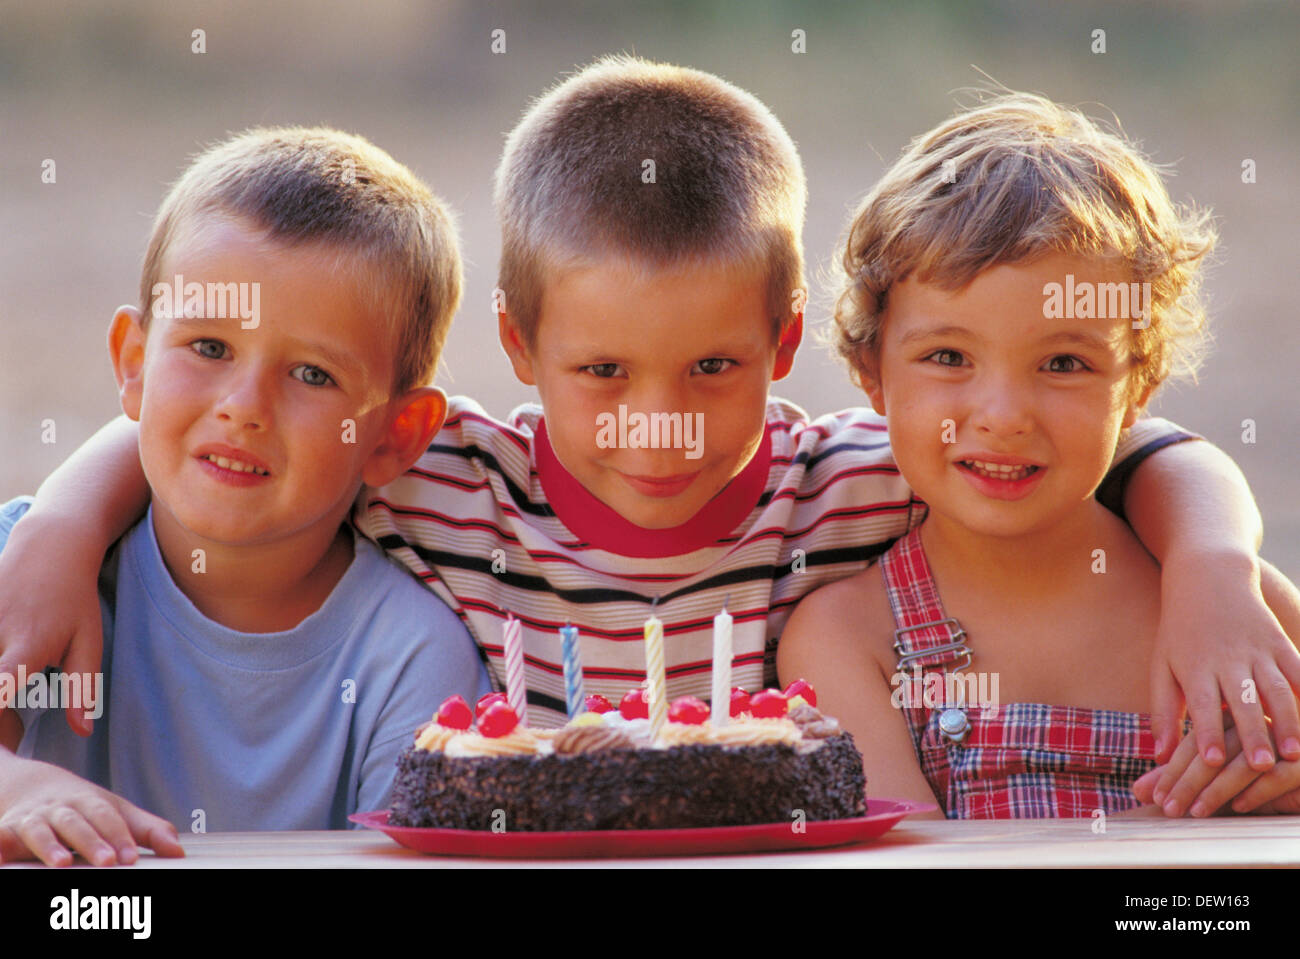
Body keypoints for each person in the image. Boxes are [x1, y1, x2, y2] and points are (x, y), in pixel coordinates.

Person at [2, 59, 1296, 773]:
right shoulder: (444, 478)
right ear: (520, 344)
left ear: (789, 345)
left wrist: (1218, 566)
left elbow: (1105, 440)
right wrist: (61, 525)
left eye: (714, 372)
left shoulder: (855, 477)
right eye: (604, 374)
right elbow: (232, 439)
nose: (659, 429)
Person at [777, 92, 1300, 817]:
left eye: (1062, 364)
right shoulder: (848, 641)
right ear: (873, 370)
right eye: (949, 355)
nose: (1003, 417)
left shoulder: (1232, 612)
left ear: (1139, 382)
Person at [0, 128, 490, 866]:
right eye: (209, 348)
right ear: (133, 364)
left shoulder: (412, 657)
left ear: (395, 434)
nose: (245, 405)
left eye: (314, 375)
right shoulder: (33, 569)